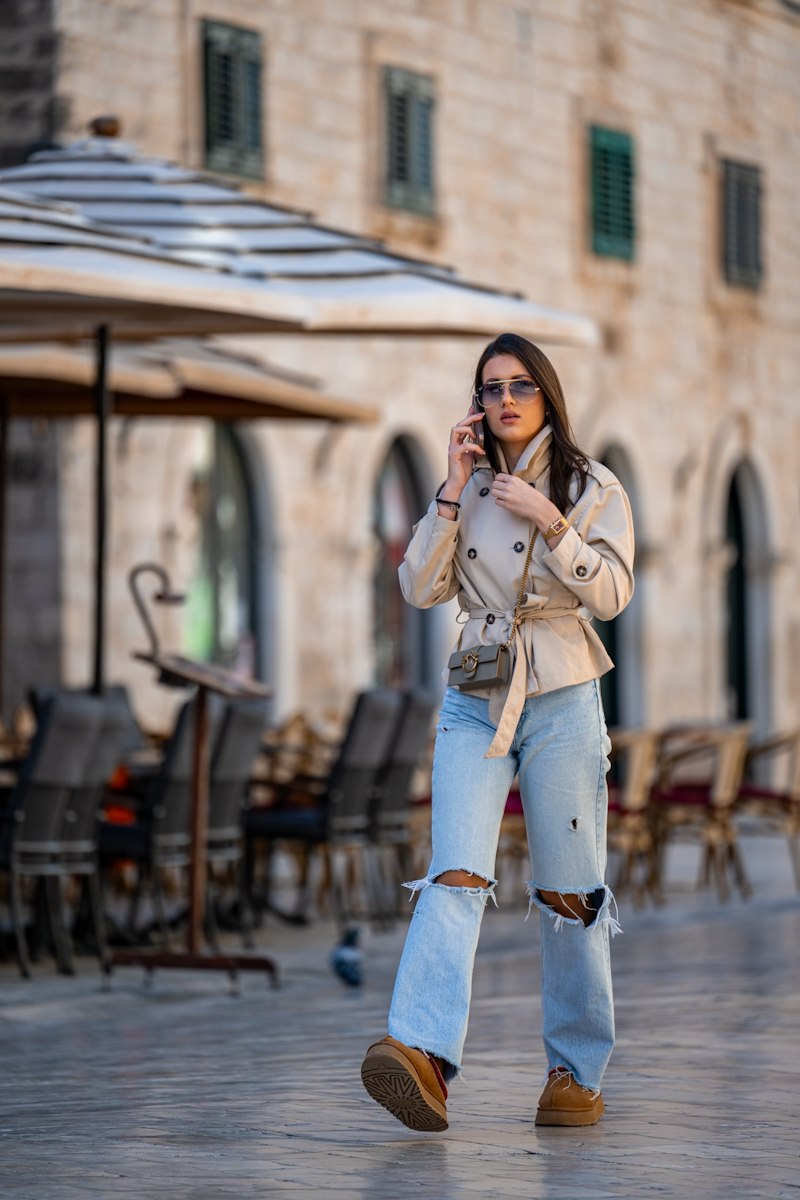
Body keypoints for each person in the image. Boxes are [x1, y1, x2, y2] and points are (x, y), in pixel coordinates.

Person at [360, 332, 635, 1132]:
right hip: (475, 692)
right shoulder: (467, 488)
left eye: (520, 386)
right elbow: (418, 588)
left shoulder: (592, 485)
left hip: (563, 692)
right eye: (491, 388)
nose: (505, 400)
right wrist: (450, 492)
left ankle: (574, 1072)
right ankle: (422, 1055)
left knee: (569, 893)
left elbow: (613, 595)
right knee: (454, 873)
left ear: (547, 395)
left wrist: (551, 521)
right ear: (476, 403)